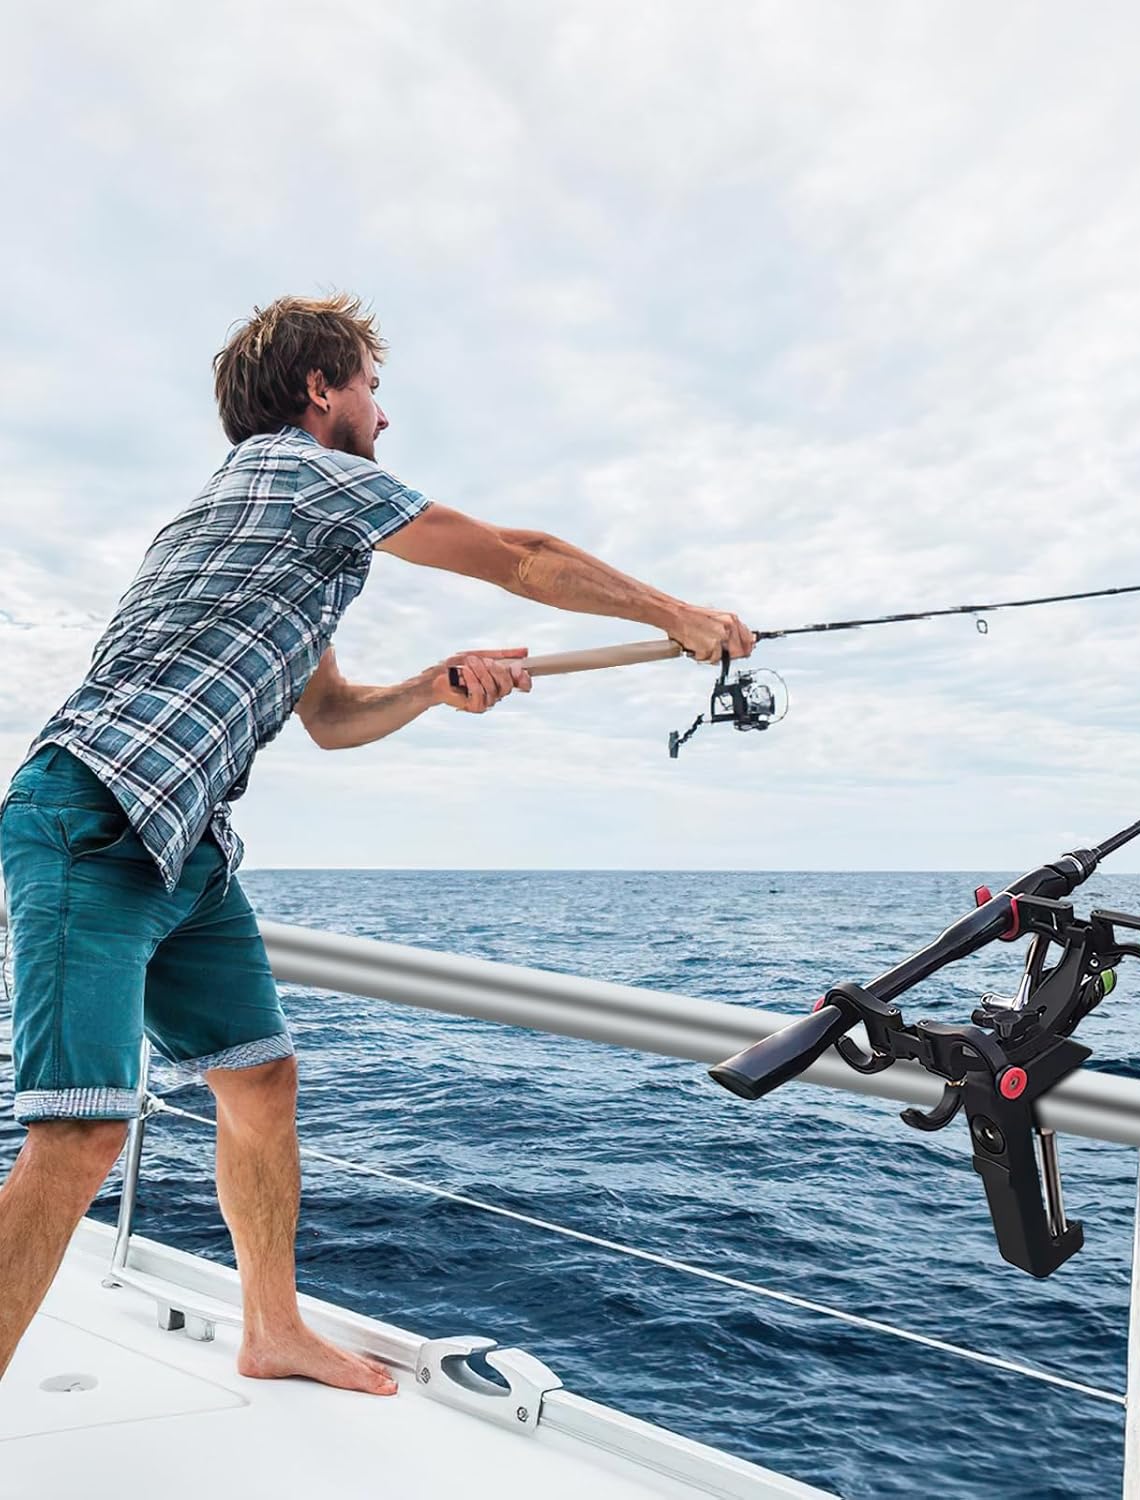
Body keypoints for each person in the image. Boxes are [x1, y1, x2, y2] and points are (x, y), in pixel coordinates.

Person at [0, 293, 753, 1393]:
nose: (384, 415)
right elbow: (520, 556)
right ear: (320, 389)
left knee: (261, 1081)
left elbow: (333, 718)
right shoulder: (291, 472)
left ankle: (272, 1330)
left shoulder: (288, 544)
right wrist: (676, 616)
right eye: (370, 387)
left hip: (188, 846)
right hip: (95, 813)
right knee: (79, 1137)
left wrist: (434, 687)